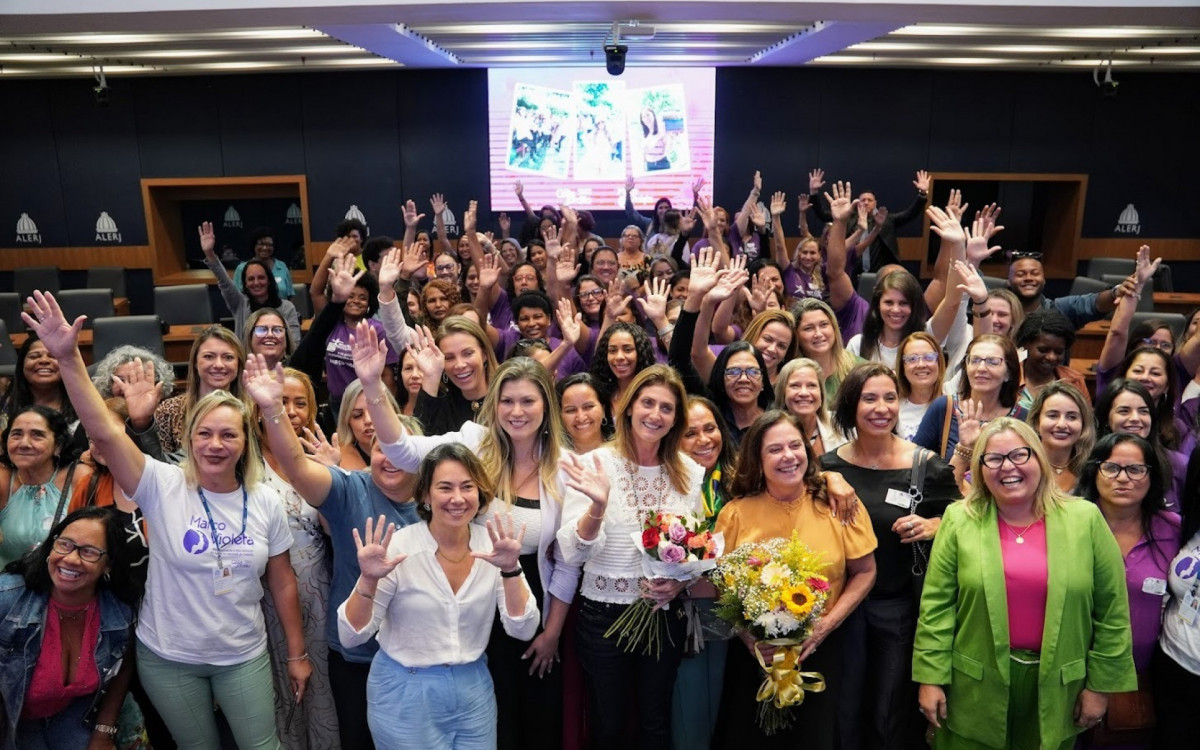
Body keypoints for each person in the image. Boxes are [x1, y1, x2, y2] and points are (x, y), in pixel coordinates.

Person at [27, 290, 312, 750]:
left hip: (242, 655)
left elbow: (282, 583)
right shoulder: (160, 484)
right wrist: (67, 359)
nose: (215, 444)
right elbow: (102, 429)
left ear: (245, 441)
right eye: (204, 433)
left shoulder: (264, 501)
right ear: (189, 436)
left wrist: (297, 653)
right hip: (169, 658)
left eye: (227, 434)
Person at [355, 328, 580, 750]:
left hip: (531, 596)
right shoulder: (473, 442)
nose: (517, 411)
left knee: (537, 718)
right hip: (475, 595)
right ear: (494, 405)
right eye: (507, 401)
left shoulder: (564, 467)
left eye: (528, 400)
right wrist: (371, 386)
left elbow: (567, 561)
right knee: (493, 723)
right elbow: (402, 452)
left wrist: (551, 633)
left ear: (545, 406)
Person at [914, 418, 1136, 750]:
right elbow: (936, 608)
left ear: (1040, 460)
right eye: (994, 458)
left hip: (1060, 687)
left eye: (1020, 454)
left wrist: (1100, 686)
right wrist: (930, 678)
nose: (1008, 467)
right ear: (980, 468)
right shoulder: (959, 520)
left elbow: (1112, 611)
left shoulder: (1085, 519)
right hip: (973, 685)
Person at [244, 354, 424, 750]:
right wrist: (273, 409)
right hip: (357, 656)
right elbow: (294, 466)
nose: (388, 457)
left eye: (399, 449)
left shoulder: (439, 501)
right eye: (379, 447)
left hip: (420, 656)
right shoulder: (349, 489)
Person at [338, 446, 538, 749]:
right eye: (445, 487)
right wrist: (368, 579)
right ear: (426, 497)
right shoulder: (398, 548)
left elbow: (522, 629)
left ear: (480, 492)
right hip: (404, 692)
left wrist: (510, 571)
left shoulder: (495, 548)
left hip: (474, 689)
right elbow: (350, 636)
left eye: (467, 486)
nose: (458, 498)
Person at [556, 365, 706, 747]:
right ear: (627, 407)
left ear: (676, 420)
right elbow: (573, 551)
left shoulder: (689, 472)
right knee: (609, 726)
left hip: (663, 615)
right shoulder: (594, 465)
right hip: (603, 615)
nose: (655, 415)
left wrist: (680, 582)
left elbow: (695, 547)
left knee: (655, 723)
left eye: (667, 408)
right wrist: (598, 507)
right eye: (648, 403)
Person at [712, 409, 878, 750]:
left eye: (795, 446)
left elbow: (865, 571)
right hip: (754, 658)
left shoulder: (838, 504)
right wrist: (749, 640)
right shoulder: (736, 513)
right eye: (774, 450)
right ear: (757, 459)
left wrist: (824, 626)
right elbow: (720, 586)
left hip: (824, 650)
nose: (788, 456)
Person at [821, 363, 961, 749]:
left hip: (896, 608)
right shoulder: (829, 465)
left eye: (889, 398)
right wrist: (827, 477)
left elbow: (965, 519)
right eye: (870, 398)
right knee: (842, 708)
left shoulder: (925, 465)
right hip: (840, 605)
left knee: (889, 712)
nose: (881, 407)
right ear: (851, 405)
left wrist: (935, 525)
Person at [0, 506, 140, 749]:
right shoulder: (7, 597)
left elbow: (123, 669)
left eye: (89, 552)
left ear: (109, 565)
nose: (72, 559)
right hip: (13, 721)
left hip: (72, 713)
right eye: (65, 544)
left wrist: (103, 734)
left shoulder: (119, 611)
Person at [1076, 433, 1179, 749]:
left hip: (1142, 682)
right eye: (1112, 468)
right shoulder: (1069, 522)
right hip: (1069, 674)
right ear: (1095, 471)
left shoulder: (1173, 529)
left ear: (1152, 475)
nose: (1123, 478)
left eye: (1136, 469)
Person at [671, 396, 737, 750]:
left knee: (722, 709)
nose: (703, 440)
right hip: (683, 611)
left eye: (709, 428)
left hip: (729, 609)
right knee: (690, 711)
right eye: (690, 433)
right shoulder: (668, 485)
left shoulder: (739, 480)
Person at [0, 405, 90, 568]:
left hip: (66, 584)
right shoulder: (3, 477)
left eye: (37, 435)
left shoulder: (80, 476)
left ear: (58, 445)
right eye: (16, 434)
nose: (24, 443)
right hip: (6, 586)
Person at [810, 168, 930, 275]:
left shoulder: (886, 220)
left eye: (870, 200)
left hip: (880, 273)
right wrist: (814, 193)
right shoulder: (847, 219)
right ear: (857, 203)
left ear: (875, 203)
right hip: (851, 272)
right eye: (863, 200)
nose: (866, 202)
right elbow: (822, 215)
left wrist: (922, 194)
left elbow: (910, 214)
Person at [200, 223, 302, 344]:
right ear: (245, 284)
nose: (256, 283)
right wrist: (209, 253)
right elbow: (224, 282)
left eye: (261, 278)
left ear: (269, 281)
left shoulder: (287, 308)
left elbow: (295, 342)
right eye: (251, 279)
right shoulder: (240, 304)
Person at [153, 325, 245, 458]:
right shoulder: (168, 411)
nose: (219, 364)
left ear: (238, 363)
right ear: (195, 362)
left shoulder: (253, 410)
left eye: (228, 357)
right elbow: (159, 465)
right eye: (209, 356)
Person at [410, 316, 499, 436]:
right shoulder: (443, 406)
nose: (460, 364)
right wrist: (431, 377)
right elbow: (420, 443)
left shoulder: (507, 395)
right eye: (449, 357)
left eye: (468, 353)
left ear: (484, 354)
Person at [1006, 250, 1134, 328]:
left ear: (1044, 279)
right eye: (1020, 274)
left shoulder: (1060, 310)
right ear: (1009, 281)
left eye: (1034, 273)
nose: (1029, 278)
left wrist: (1116, 292)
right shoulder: (996, 313)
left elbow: (1093, 303)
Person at [1013, 309, 1090, 410]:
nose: (1052, 357)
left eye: (1059, 352)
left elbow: (1087, 422)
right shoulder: (1009, 377)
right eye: (1043, 350)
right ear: (1026, 344)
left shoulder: (1075, 381)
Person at [1027, 383, 1094, 493]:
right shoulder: (1021, 465)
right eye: (1052, 415)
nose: (1062, 425)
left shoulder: (1092, 469)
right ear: (1036, 423)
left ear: (1083, 424)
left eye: (1072, 417)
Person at [774, 358, 846, 456]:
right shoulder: (768, 433)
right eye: (795, 385)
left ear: (821, 394)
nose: (804, 393)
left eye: (811, 385)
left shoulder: (842, 425)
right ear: (782, 393)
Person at [897, 332, 947, 441]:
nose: (921, 365)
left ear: (939, 362)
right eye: (912, 359)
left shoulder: (952, 402)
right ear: (902, 367)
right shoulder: (893, 406)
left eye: (929, 357)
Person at [233, 227, 296, 299]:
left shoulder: (282, 266)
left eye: (269, 245)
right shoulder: (242, 268)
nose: (265, 248)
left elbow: (290, 296)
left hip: (282, 310)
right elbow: (236, 298)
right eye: (261, 244)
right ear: (254, 245)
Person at [556, 373, 611, 455]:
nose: (581, 417)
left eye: (588, 407)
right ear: (560, 416)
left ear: (603, 409)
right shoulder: (550, 458)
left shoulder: (626, 452)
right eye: (571, 410)